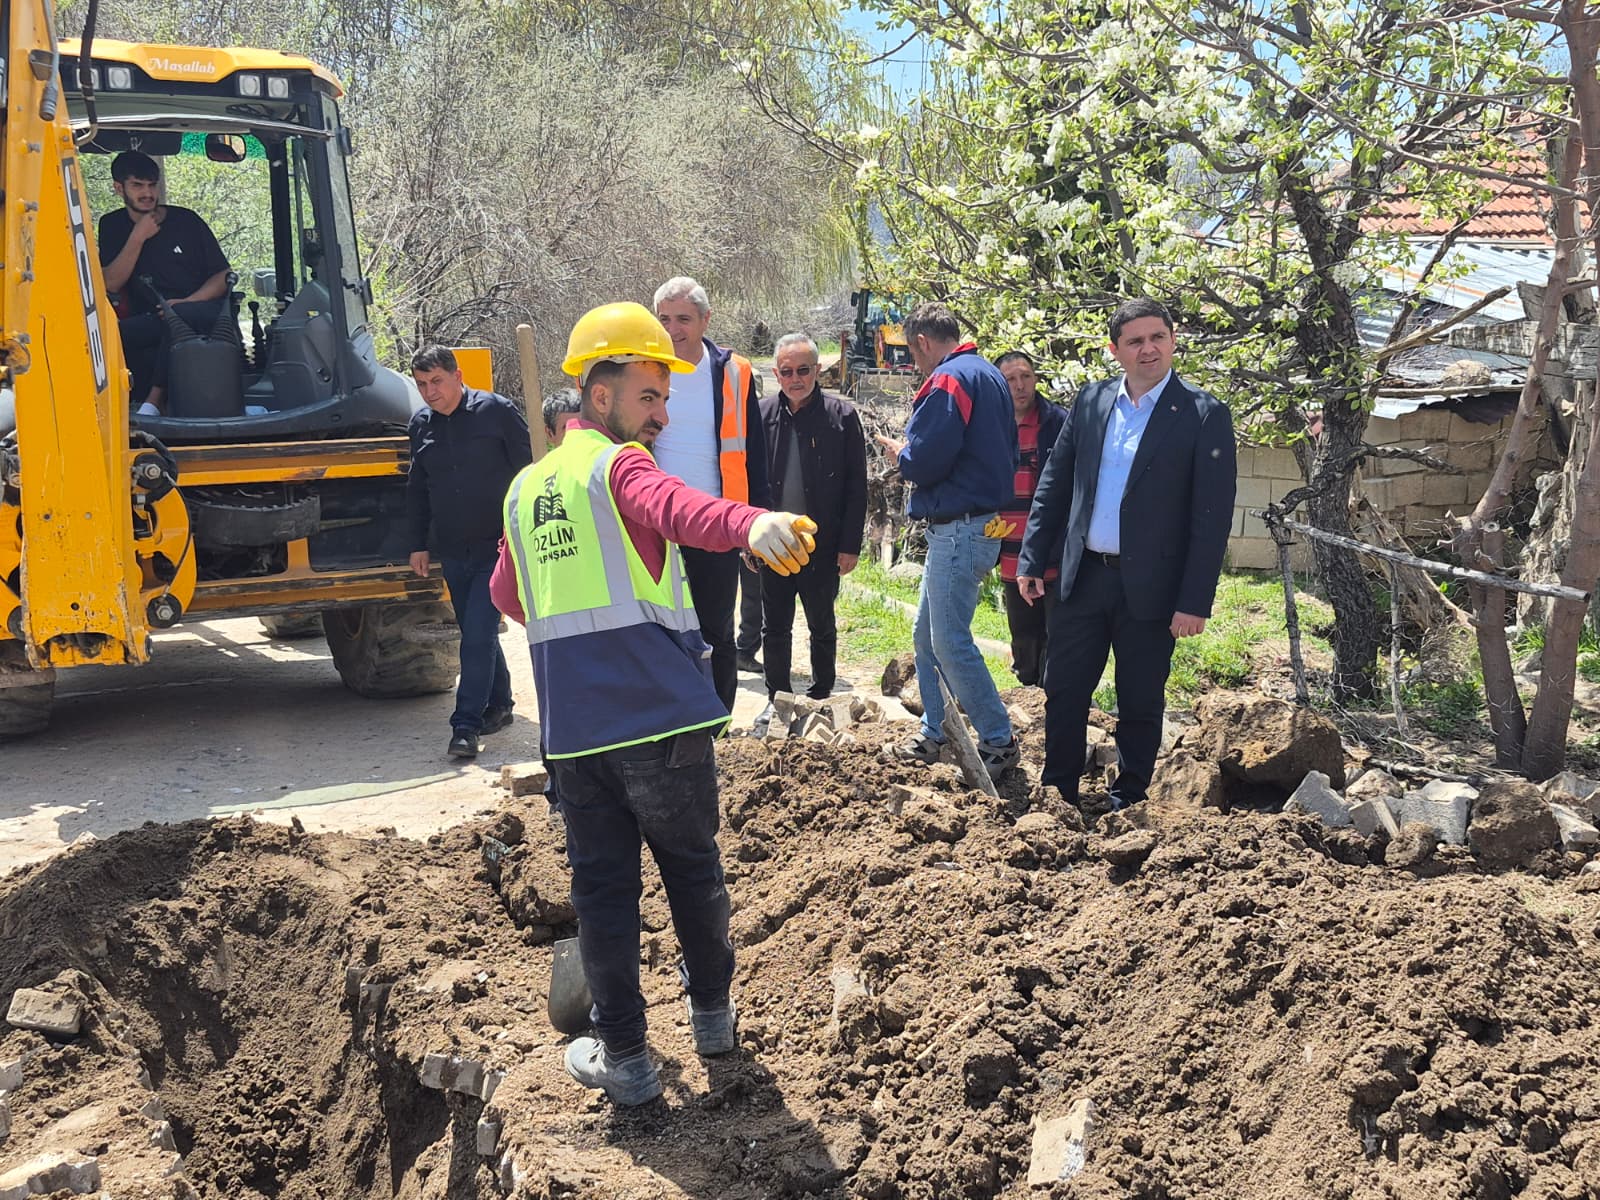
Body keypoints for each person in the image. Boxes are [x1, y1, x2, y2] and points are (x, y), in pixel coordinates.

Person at [489, 301, 815, 1106]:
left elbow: (510, 594)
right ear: (599, 397)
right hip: (661, 725)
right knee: (692, 872)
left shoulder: (525, 491)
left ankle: (627, 1060)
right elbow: (682, 510)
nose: (663, 417)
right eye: (649, 397)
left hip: (573, 734)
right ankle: (712, 1022)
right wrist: (753, 523)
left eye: (666, 401)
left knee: (602, 895)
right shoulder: (618, 467)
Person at [1017, 299, 1236, 810]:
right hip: (1084, 577)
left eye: (1157, 336)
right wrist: (1032, 559)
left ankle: (1129, 796)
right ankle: (1060, 791)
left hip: (1154, 589)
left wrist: (1194, 600)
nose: (1148, 349)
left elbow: (1211, 519)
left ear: (1173, 339)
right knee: (1065, 690)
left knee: (1139, 698)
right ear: (1115, 351)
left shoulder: (1203, 415)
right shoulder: (1091, 403)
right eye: (1135, 341)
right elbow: (1054, 483)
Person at [874, 303, 1020, 779]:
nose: (915, 365)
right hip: (973, 525)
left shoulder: (948, 379)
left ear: (921, 342)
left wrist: (903, 453)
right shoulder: (988, 374)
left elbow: (929, 458)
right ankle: (936, 732)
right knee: (925, 635)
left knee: (949, 640)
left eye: (912, 354)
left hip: (959, 527)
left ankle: (997, 741)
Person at [406, 346, 532, 759]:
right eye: (422, 384)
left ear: (458, 376)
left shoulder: (496, 411)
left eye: (437, 381)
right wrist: (418, 544)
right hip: (452, 549)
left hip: (497, 547)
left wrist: (526, 533)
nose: (430, 392)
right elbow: (419, 491)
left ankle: (465, 727)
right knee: (476, 632)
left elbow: (528, 472)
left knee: (477, 634)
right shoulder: (420, 425)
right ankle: (501, 705)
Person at [651, 276, 771, 711]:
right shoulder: (643, 368)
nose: (672, 329)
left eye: (682, 319)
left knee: (715, 628)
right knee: (660, 628)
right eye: (664, 319)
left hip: (716, 523)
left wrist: (757, 522)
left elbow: (754, 452)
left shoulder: (733, 372)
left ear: (705, 319)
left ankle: (717, 721)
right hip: (655, 523)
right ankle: (671, 719)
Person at [754, 334, 867, 717]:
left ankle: (822, 697)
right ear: (776, 374)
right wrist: (746, 538)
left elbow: (856, 485)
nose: (795, 378)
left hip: (823, 544)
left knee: (822, 623)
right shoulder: (762, 414)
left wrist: (850, 545)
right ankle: (777, 699)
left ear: (818, 370)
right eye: (787, 372)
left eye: (804, 370)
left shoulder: (842, 416)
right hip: (773, 542)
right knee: (775, 626)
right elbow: (750, 482)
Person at [98, 151, 232, 416]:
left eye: (152, 185)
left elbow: (223, 276)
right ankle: (109, 409)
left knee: (177, 315)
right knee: (106, 337)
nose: (147, 193)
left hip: (200, 310)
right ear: (118, 188)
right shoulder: (112, 225)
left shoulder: (186, 221)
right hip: (151, 316)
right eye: (138, 185)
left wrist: (185, 303)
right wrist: (138, 237)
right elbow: (111, 283)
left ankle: (154, 402)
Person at [994, 351, 1067, 687]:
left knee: (1058, 640)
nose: (1020, 386)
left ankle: (1056, 704)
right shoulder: (990, 425)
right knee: (1023, 637)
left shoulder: (1059, 423)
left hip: (1053, 552)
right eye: (1010, 379)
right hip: (1009, 550)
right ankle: (1028, 699)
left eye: (1025, 376)